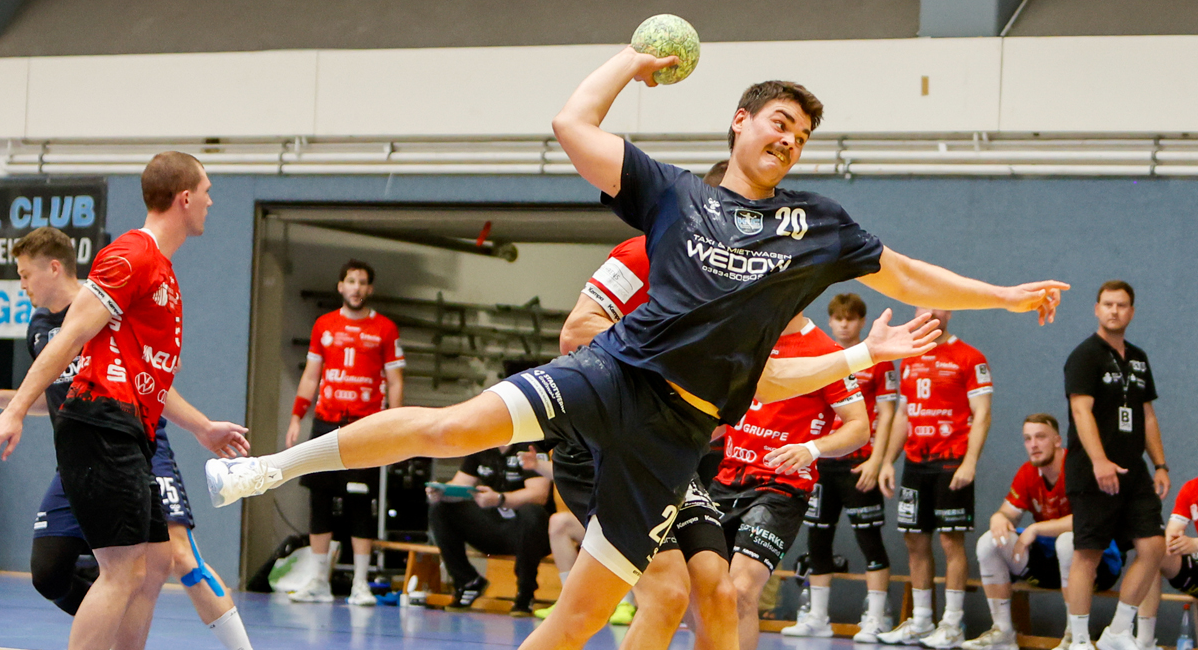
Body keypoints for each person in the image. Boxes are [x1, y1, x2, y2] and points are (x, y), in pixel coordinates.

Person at [206, 46, 1067, 650]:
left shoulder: (814, 225)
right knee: (452, 429)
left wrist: (998, 294)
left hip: (676, 437)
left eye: (802, 134)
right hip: (612, 373)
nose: (789, 139)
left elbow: (908, 274)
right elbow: (571, 122)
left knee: (585, 617)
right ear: (739, 124)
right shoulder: (673, 194)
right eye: (778, 121)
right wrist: (632, 61)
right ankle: (271, 469)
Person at [0, 152, 249, 650]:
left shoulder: (163, 273)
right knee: (120, 570)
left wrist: (201, 428)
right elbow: (68, 338)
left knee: (156, 562)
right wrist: (12, 409)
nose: (212, 200)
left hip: (133, 431)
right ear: (184, 197)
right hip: (101, 424)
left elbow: (153, 380)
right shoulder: (132, 254)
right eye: (207, 190)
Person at [545, 159, 740, 650]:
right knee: (664, 594)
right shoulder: (643, 253)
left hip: (666, 453)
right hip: (599, 446)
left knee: (718, 589)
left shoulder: (735, 292)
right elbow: (575, 334)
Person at [711, 314, 870, 650]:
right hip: (727, 480)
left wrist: (812, 448)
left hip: (781, 487)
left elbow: (859, 427)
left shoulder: (825, 351)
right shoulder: (744, 337)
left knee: (741, 590)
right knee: (709, 590)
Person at [283, 259, 405, 606]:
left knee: (359, 502)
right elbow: (311, 376)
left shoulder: (385, 329)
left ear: (370, 289)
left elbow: (395, 380)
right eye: (350, 281)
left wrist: (395, 426)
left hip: (365, 425)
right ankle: (318, 579)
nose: (356, 288)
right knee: (319, 498)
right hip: (325, 421)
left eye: (363, 282)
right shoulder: (324, 325)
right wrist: (296, 418)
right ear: (340, 286)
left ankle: (360, 584)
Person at [878, 309, 993, 649]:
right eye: (923, 306)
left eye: (938, 306)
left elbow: (983, 414)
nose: (931, 312)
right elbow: (903, 414)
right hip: (916, 462)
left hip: (951, 461)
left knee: (950, 542)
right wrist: (887, 461)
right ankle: (921, 620)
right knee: (914, 540)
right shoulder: (910, 356)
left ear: (950, 311)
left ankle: (953, 624)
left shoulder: (970, 357)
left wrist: (970, 462)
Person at [1063, 281, 1168, 650]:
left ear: (1131, 312)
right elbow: (1080, 410)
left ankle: (1119, 631)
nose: (1114, 311)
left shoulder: (1138, 358)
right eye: (1108, 304)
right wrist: (1099, 461)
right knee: (1087, 554)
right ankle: (1077, 640)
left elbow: (1147, 413)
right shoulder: (1085, 355)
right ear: (1096, 309)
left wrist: (1160, 463)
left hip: (1134, 470)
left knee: (1154, 545)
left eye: (1122, 305)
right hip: (1092, 470)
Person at [789, 292, 899, 641]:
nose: (844, 324)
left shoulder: (879, 362)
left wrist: (876, 461)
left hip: (858, 463)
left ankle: (876, 617)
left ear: (862, 322)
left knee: (869, 539)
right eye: (838, 318)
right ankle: (818, 616)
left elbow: (888, 414)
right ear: (831, 321)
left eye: (851, 318)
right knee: (817, 538)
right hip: (823, 462)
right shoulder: (823, 357)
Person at [963, 414, 1122, 650]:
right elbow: (1007, 513)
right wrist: (998, 518)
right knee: (989, 542)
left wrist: (1036, 528)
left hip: (1098, 565)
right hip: (1052, 566)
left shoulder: (1079, 467)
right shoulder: (1027, 473)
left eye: (1040, 437)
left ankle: (1074, 636)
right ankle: (1003, 632)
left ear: (1057, 440)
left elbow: (1085, 521)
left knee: (1067, 542)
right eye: (1027, 439)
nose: (1033, 445)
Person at [426, 444, 552, 615]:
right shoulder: (482, 445)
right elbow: (460, 484)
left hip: (533, 535)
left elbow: (539, 494)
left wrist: (500, 499)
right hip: (495, 528)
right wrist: (442, 492)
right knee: (440, 508)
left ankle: (525, 594)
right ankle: (468, 582)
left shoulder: (529, 446)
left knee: (531, 512)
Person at [1137, 423, 1198, 650]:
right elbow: (1172, 531)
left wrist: (1196, 543)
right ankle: (1144, 641)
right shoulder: (1192, 488)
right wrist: (1170, 541)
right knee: (1155, 550)